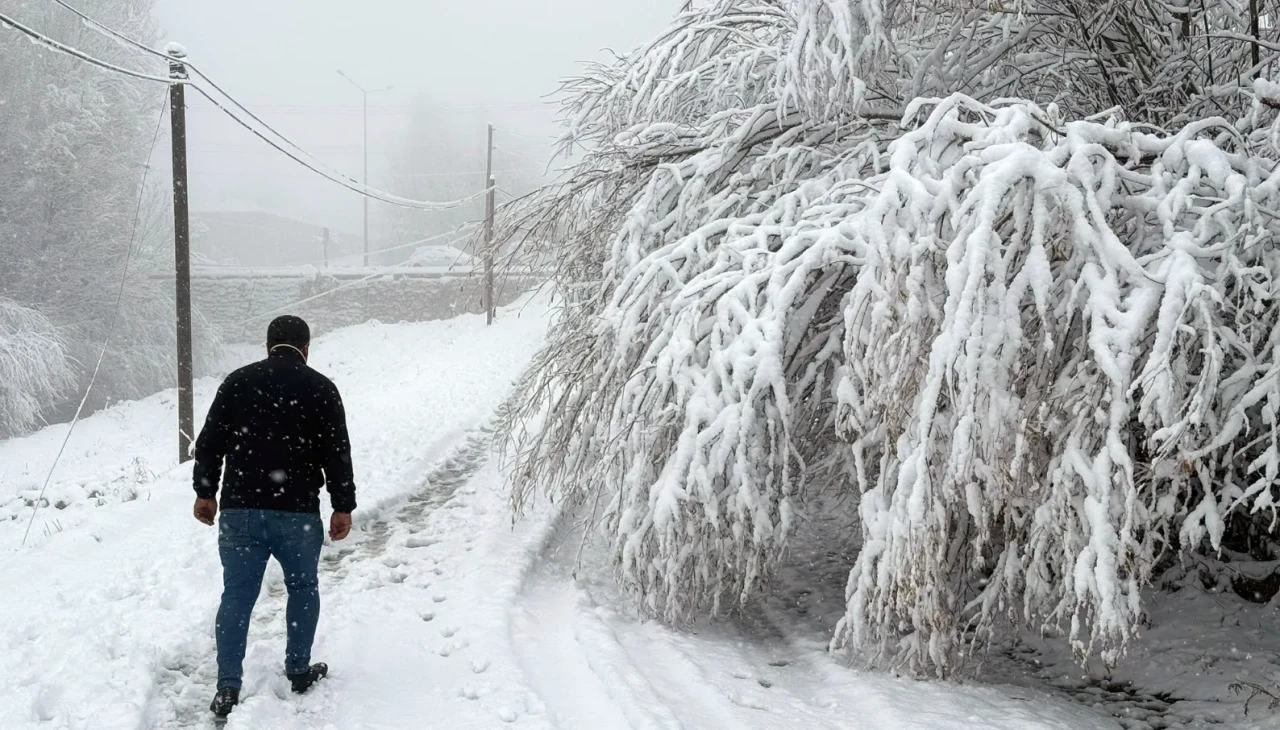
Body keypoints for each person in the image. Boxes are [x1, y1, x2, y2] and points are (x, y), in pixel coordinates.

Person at [191, 315, 357, 720]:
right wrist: (342, 504)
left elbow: (210, 442)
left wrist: (205, 492)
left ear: (268, 346)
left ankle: (228, 686)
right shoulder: (320, 388)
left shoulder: (237, 382)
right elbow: (337, 451)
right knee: (302, 587)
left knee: (237, 595)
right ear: (306, 348)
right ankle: (298, 670)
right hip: (296, 512)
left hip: (240, 510)